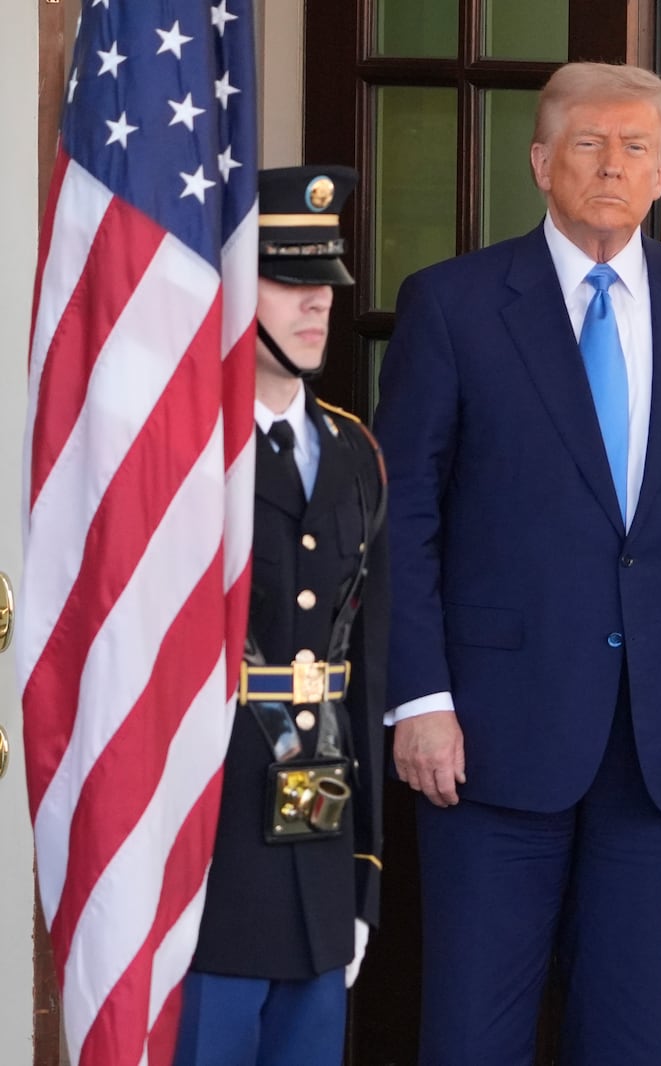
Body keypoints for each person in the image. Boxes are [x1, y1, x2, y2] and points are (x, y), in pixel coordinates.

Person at [373, 62, 661, 1065]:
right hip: (485, 729)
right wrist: (418, 695)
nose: (614, 165)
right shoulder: (453, 304)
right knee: (474, 1024)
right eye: (590, 144)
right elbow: (404, 514)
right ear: (540, 161)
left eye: (635, 146)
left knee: (627, 1024)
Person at [175, 165, 390, 1066]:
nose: (316, 306)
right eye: (288, 283)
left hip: (318, 847)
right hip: (210, 854)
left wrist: (364, 876)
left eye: (325, 285)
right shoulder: (186, 451)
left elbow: (364, 670)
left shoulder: (355, 451)